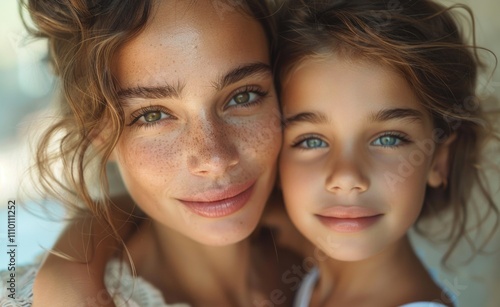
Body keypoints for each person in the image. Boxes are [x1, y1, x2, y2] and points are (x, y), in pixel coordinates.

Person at [1, 0, 300, 306]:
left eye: (243, 96)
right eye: (153, 115)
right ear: (99, 134)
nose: (216, 159)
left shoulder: (334, 247)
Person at [275, 0, 499, 306]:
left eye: (389, 139)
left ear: (439, 160)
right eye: (312, 141)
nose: (347, 177)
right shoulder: (309, 281)